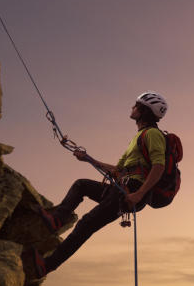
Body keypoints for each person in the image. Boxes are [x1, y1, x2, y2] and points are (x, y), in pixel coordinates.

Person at [32, 91, 169, 276]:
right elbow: (117, 170)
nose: (132, 108)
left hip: (131, 192)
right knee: (81, 185)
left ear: (145, 111)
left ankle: (46, 266)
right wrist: (88, 159)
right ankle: (57, 219)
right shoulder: (138, 137)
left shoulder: (153, 134)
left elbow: (159, 166)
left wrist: (139, 194)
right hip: (122, 188)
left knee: (85, 225)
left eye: (136, 106)